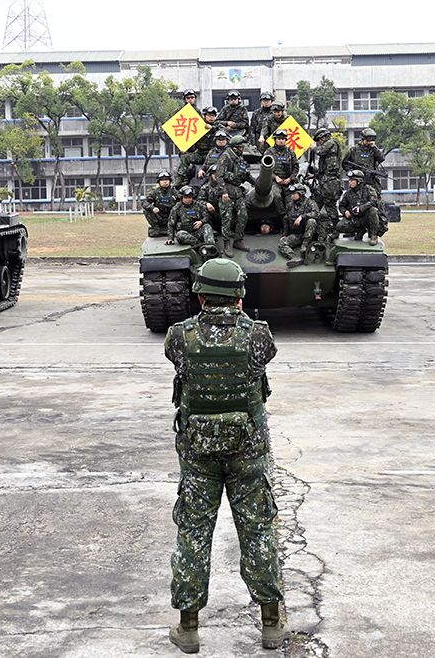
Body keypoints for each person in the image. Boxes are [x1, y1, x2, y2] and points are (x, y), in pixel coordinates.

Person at [163, 257, 286, 654]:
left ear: (200, 295)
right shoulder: (258, 337)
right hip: (248, 452)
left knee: (194, 533)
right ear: (239, 296)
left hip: (198, 455)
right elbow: (264, 357)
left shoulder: (179, 336)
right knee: (258, 531)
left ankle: (189, 627)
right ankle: (270, 624)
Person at [216, 135, 252, 253]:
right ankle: (227, 244)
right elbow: (219, 176)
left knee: (243, 215)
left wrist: (256, 183)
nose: (243, 148)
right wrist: (224, 192)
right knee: (227, 218)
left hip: (237, 191)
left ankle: (238, 240)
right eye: (241, 147)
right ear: (236, 147)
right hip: (227, 191)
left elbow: (245, 175)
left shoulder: (240, 158)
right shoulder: (226, 156)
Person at [279, 184, 321, 267]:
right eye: (292, 194)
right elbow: (286, 219)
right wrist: (284, 234)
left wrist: (302, 216)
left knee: (311, 221)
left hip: (309, 235)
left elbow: (316, 214)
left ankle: (304, 246)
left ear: (301, 194)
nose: (292, 195)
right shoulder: (290, 205)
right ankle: (295, 258)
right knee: (282, 243)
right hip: (297, 234)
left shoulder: (310, 203)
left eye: (294, 193)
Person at [335, 170, 381, 244]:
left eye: (352, 180)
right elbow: (342, 205)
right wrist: (345, 212)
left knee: (373, 210)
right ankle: (360, 231)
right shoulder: (348, 193)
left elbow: (374, 201)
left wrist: (361, 208)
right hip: (354, 219)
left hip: (366, 218)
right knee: (339, 226)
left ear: (359, 181)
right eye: (349, 180)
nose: (349, 182)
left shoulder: (368, 189)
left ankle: (373, 236)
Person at [166, 186, 215, 253]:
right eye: (186, 198)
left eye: (190, 198)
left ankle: (211, 248)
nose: (188, 200)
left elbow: (207, 216)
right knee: (179, 235)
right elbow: (171, 223)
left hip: (197, 232)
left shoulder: (198, 205)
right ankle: (200, 245)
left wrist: (201, 221)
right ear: (182, 198)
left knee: (207, 226)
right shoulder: (177, 207)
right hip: (186, 234)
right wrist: (170, 238)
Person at [307, 128, 342, 213]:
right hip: (325, 181)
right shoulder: (330, 146)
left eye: (320, 140)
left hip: (330, 182)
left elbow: (320, 151)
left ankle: (334, 224)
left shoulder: (331, 142)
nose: (320, 142)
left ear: (323, 137)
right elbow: (324, 169)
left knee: (330, 205)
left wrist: (314, 147)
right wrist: (315, 175)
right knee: (317, 202)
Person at [342, 128, 387, 193]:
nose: (369, 142)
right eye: (368, 140)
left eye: (371, 140)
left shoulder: (373, 150)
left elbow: (381, 159)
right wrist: (352, 172)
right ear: (363, 139)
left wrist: (374, 148)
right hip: (357, 181)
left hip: (370, 180)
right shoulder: (354, 150)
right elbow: (345, 163)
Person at [143, 171, 179, 237]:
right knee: (146, 210)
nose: (165, 182)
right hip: (159, 217)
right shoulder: (155, 192)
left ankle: (176, 229)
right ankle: (156, 229)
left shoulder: (175, 192)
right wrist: (152, 208)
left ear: (170, 181)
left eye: (166, 180)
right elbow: (145, 203)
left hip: (172, 217)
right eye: (162, 180)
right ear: (159, 182)